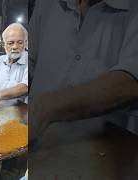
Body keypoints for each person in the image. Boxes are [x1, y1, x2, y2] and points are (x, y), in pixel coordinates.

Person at [29, 0, 138, 142]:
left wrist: (44, 107)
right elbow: (28, 62)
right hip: (37, 146)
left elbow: (129, 82)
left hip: (99, 153)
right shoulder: (47, 4)